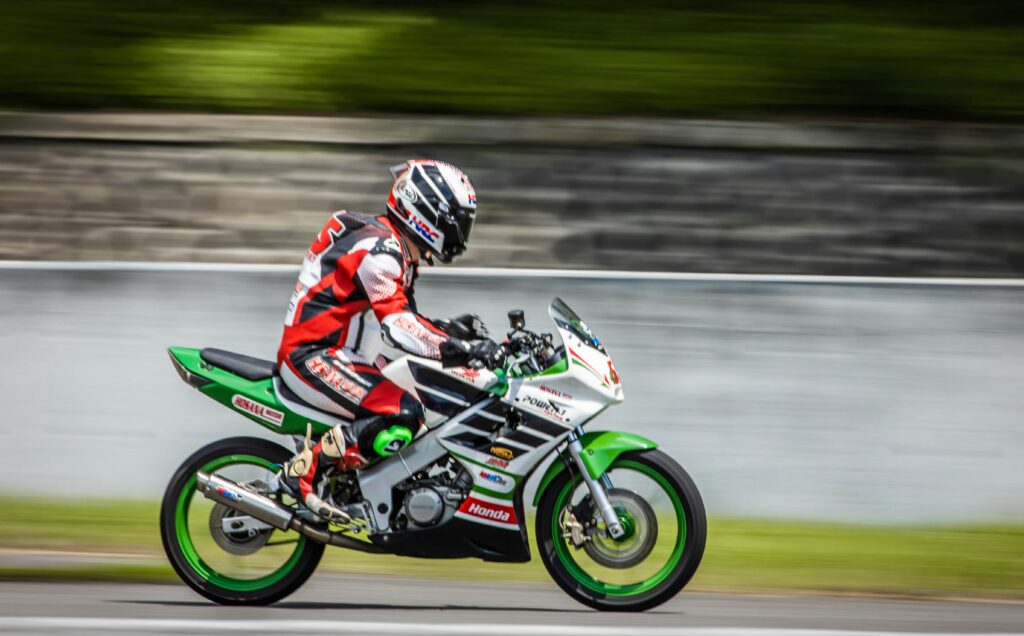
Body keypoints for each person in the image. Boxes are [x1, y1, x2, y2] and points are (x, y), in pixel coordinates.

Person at [276, 159, 504, 522]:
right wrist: (462, 350)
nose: (461, 232)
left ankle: (359, 486)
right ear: (427, 212)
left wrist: (452, 331)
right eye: (457, 221)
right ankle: (302, 473)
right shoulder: (382, 253)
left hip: (348, 354)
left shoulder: (393, 246)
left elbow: (401, 314)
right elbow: (398, 328)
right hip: (316, 356)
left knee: (430, 396)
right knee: (404, 414)